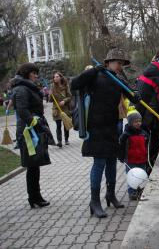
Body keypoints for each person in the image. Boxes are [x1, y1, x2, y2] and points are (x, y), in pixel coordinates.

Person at [71, 48, 138, 218]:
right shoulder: (95, 75)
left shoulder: (118, 79)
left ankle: (111, 194)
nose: (119, 66)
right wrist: (94, 70)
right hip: (95, 127)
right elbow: (74, 84)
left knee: (111, 162)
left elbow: (130, 94)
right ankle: (94, 201)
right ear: (107, 63)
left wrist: (135, 96)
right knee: (99, 162)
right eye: (117, 62)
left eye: (122, 63)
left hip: (112, 125)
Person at [11, 63, 54, 208]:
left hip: (33, 128)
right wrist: (34, 122)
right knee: (32, 165)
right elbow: (22, 110)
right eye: (34, 73)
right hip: (28, 130)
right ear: (28, 73)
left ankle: (36, 196)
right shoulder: (22, 88)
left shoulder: (27, 87)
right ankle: (34, 197)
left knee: (34, 165)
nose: (36, 76)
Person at [119, 111, 149, 200]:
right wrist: (121, 156)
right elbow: (121, 146)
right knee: (132, 176)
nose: (138, 123)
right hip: (131, 160)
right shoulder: (126, 135)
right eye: (135, 121)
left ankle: (141, 190)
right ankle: (132, 192)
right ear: (130, 122)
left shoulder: (144, 133)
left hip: (142, 159)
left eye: (139, 121)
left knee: (142, 176)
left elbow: (147, 144)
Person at [50, 72, 72, 147]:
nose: (55, 78)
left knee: (66, 124)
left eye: (57, 77)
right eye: (54, 77)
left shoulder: (65, 86)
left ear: (60, 77)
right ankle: (59, 141)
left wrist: (64, 101)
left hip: (65, 108)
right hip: (56, 109)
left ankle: (66, 140)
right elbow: (50, 100)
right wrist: (49, 95)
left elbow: (70, 96)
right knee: (58, 125)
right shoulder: (52, 87)